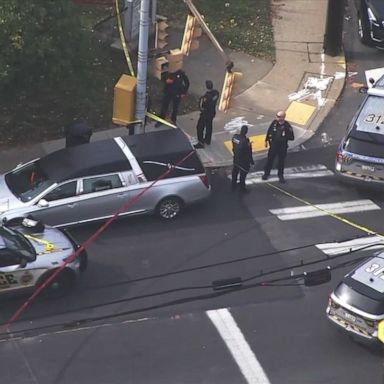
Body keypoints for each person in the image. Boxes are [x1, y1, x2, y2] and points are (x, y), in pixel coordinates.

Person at [262, 110, 294, 183]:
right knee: (269, 161)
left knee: (281, 162)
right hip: (273, 146)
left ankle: (280, 176)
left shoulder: (287, 126)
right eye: (277, 116)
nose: (277, 117)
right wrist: (266, 140)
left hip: (282, 147)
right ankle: (266, 173)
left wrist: (285, 136)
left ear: (283, 117)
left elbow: (292, 137)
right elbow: (269, 131)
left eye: (279, 116)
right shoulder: (274, 123)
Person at [194, 80, 219, 149]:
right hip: (212, 113)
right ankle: (208, 140)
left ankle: (201, 142)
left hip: (205, 114)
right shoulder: (216, 93)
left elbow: (202, 106)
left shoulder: (205, 96)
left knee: (199, 127)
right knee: (209, 126)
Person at [231, 125, 254, 193]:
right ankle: (242, 188)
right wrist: (252, 162)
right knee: (243, 175)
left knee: (235, 172)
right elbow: (249, 152)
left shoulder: (234, 137)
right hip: (243, 161)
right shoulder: (246, 141)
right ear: (246, 132)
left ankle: (233, 184)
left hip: (236, 159)